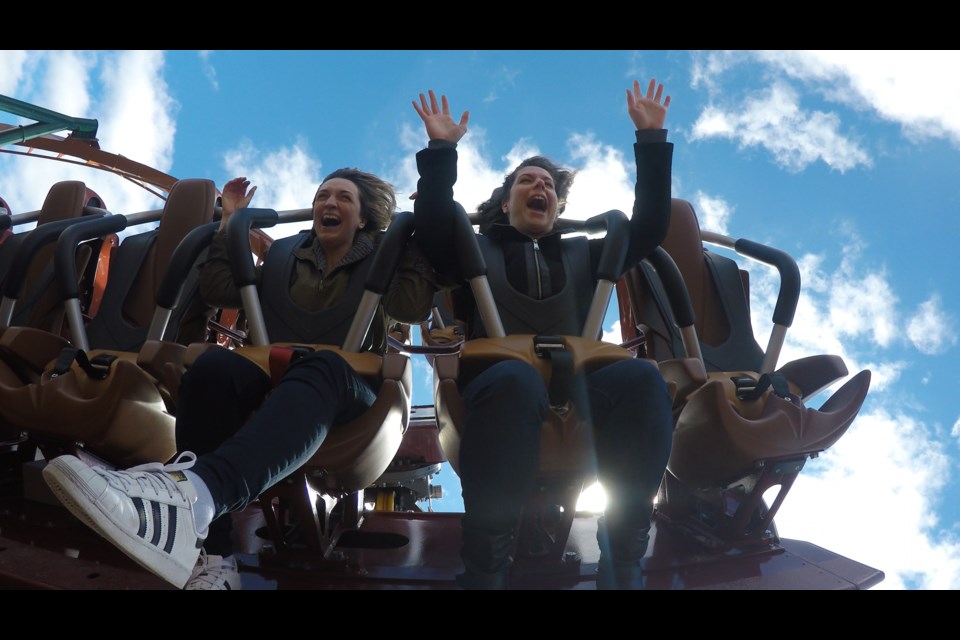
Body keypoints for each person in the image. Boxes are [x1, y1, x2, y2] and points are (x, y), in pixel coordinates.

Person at [41, 168, 443, 590]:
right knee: (211, 369)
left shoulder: (388, 255)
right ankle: (213, 556)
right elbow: (218, 290)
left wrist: (409, 243)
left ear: (363, 218)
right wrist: (230, 223)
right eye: (323, 195)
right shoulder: (285, 254)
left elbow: (413, 307)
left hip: (348, 390)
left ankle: (195, 494)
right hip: (274, 378)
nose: (329, 203)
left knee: (321, 366)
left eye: (343, 198)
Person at [411, 80, 675, 589]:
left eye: (549, 185)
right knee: (515, 380)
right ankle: (486, 567)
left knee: (643, 380)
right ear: (506, 201)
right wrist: (442, 150)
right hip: (498, 387)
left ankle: (623, 556)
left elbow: (649, 228)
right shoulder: (473, 252)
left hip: (580, 388)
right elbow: (432, 228)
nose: (540, 188)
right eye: (527, 181)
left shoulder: (587, 255)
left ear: (556, 206)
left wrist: (651, 141)